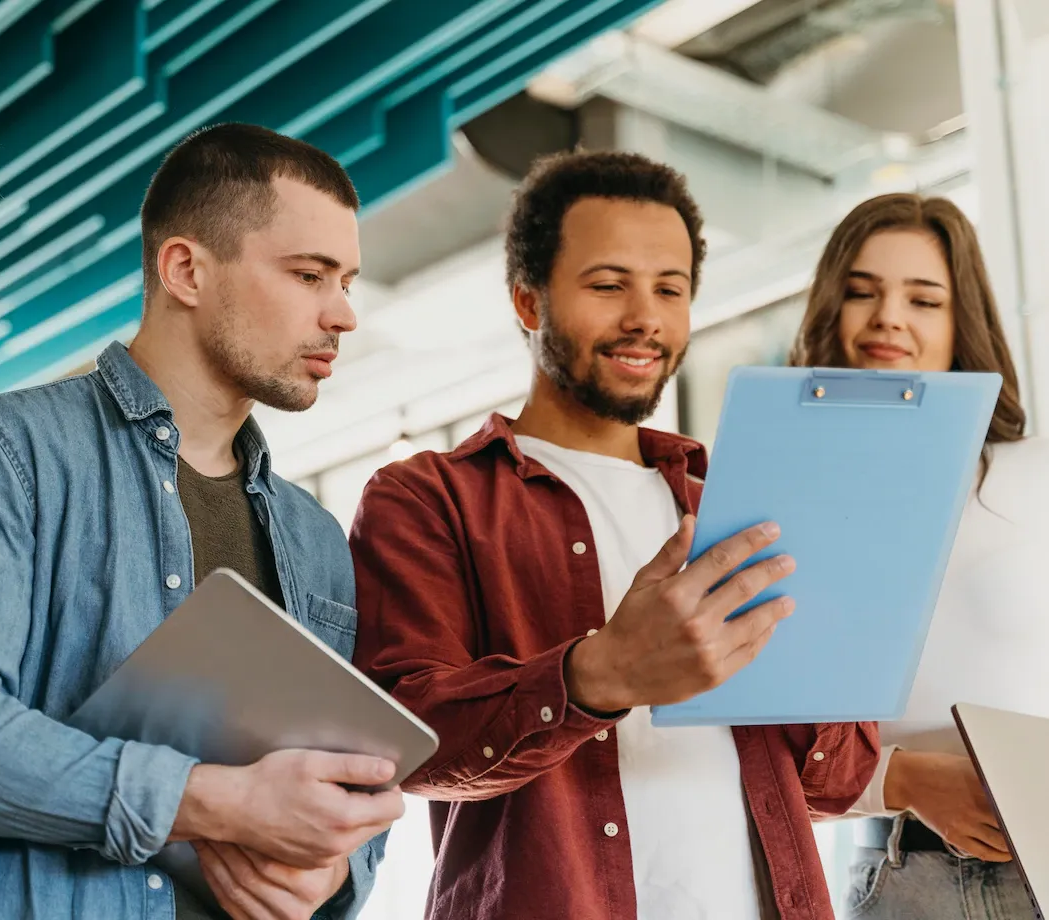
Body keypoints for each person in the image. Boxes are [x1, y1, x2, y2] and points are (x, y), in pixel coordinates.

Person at [0, 123, 403, 920]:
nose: (343, 315)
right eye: (309, 275)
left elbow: (342, 786)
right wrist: (211, 800)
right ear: (185, 269)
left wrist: (332, 876)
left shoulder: (316, 541)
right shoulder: (3, 451)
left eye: (349, 281)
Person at [349, 149, 881, 920]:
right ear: (527, 302)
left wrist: (828, 652)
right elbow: (405, 742)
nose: (646, 317)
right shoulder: (429, 498)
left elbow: (833, 780)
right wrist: (595, 678)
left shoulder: (738, 507)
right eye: (608, 286)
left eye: (671, 289)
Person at [791, 193, 1044, 920]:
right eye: (862, 293)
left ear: (962, 321)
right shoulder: (785, 504)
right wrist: (903, 778)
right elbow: (767, 756)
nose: (889, 318)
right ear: (828, 314)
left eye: (924, 298)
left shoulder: (1036, 475)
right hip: (907, 878)